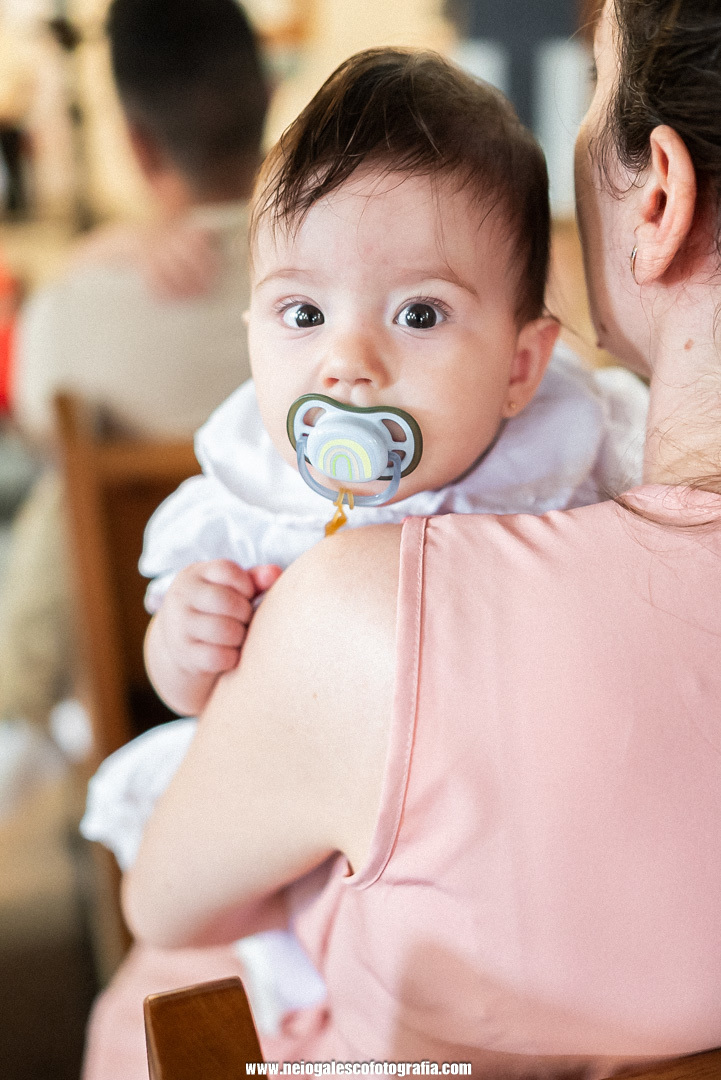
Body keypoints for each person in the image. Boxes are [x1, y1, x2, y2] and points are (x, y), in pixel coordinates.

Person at [79, 46, 649, 1053]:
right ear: (252, 327)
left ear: (521, 367)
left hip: (502, 874)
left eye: (418, 313)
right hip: (294, 850)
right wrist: (188, 643)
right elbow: (185, 692)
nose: (346, 362)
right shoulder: (250, 499)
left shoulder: (577, 458)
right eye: (302, 313)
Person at [0, 0, 269, 746]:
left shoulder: (71, 311)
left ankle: (18, 719)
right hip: (340, 657)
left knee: (55, 498)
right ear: (271, 101)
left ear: (136, 143)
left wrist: (93, 255)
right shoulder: (351, 287)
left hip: (144, 692)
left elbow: (34, 430)